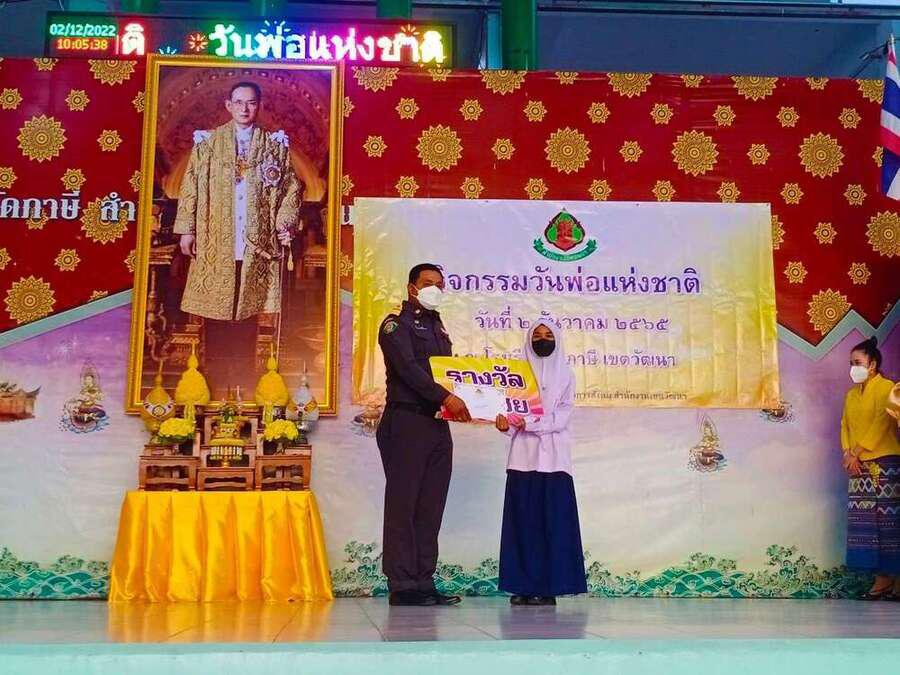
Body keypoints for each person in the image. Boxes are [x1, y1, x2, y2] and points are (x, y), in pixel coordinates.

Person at [173, 81, 301, 394]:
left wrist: (284, 224)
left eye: (251, 102)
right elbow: (190, 186)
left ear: (259, 106)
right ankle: (215, 379)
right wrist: (187, 229)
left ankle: (243, 379)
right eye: (239, 102)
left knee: (247, 310)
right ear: (228, 105)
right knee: (218, 309)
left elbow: (291, 189)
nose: (245, 109)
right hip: (217, 238)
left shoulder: (274, 145)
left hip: (256, 242)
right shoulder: (208, 143)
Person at [376, 263, 471, 606]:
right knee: (403, 506)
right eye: (429, 282)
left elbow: (450, 375)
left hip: (436, 423)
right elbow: (408, 369)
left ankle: (423, 581)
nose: (435, 289)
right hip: (406, 422)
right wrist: (446, 397)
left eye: (440, 285)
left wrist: (473, 401)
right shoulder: (395, 325)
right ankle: (402, 585)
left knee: (431, 506)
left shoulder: (438, 327)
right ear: (412, 287)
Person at [495, 320, 587, 605]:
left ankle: (549, 589)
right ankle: (522, 586)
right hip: (522, 458)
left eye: (548, 335)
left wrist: (532, 423)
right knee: (523, 523)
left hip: (555, 461)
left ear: (557, 340)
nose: (542, 339)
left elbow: (562, 416)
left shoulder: (566, 374)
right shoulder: (516, 375)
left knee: (554, 525)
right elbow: (510, 414)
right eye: (537, 335)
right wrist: (505, 424)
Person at [841, 337, 900, 599]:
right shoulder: (851, 394)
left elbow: (881, 423)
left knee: (888, 522)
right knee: (866, 524)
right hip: (858, 466)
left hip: (884, 462)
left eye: (858, 362)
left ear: (872, 364)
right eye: (851, 363)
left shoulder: (887, 387)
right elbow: (844, 425)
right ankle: (881, 579)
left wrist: (856, 452)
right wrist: (847, 453)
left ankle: (896, 578)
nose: (853, 367)